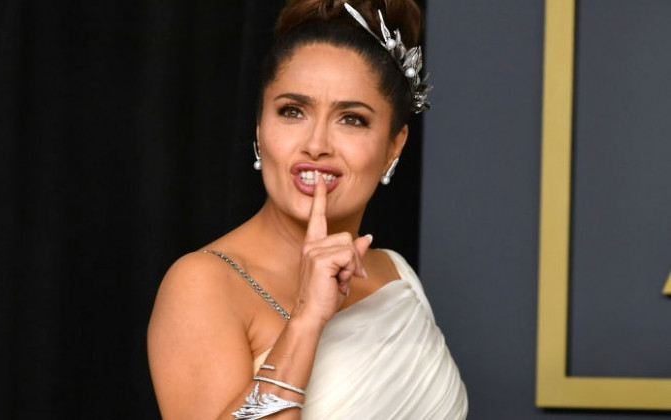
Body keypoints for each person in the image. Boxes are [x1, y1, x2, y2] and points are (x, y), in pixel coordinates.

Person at [147, 0, 468, 418]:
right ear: (260, 130)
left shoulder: (395, 275)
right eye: (292, 111)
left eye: (351, 119)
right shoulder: (202, 285)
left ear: (394, 145)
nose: (316, 144)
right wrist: (306, 320)